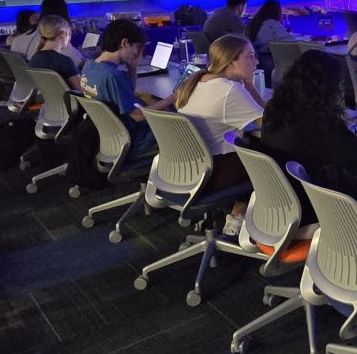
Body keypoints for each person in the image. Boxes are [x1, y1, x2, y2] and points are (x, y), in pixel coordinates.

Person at [248, 48, 357, 227]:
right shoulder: (322, 121)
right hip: (314, 208)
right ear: (329, 87)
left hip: (281, 202)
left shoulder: (275, 108)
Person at [175, 34, 265, 236]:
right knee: (269, 156)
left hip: (190, 168)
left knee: (253, 143)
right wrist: (249, 84)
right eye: (249, 56)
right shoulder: (228, 90)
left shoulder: (199, 80)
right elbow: (269, 123)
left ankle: (238, 213)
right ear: (231, 60)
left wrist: (246, 83)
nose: (256, 61)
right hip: (214, 173)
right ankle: (240, 218)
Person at [81, 18, 173, 157]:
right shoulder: (113, 76)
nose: (138, 54)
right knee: (177, 121)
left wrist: (133, 67)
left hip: (107, 136)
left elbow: (127, 94)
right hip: (132, 140)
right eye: (137, 48)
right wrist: (174, 97)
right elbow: (138, 115)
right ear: (124, 43)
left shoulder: (89, 65)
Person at [26, 15, 81, 89]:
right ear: (62, 34)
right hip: (64, 100)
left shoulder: (34, 58)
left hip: (44, 100)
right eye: (69, 34)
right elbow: (85, 91)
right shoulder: (64, 62)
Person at [244, 0, 291, 76]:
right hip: (267, 60)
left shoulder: (255, 22)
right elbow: (290, 41)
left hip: (256, 58)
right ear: (276, 11)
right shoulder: (271, 23)